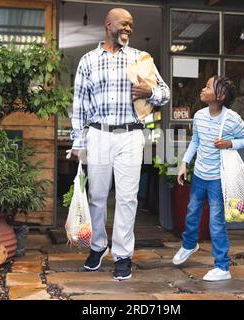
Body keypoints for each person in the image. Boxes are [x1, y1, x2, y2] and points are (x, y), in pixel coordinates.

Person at [70, 8, 170, 281]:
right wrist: (78, 142)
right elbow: (79, 105)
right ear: (109, 24)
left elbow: (165, 92)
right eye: (125, 24)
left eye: (132, 25)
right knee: (97, 197)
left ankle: (123, 255)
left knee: (127, 198)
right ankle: (98, 246)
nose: (129, 28)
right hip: (99, 134)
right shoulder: (88, 60)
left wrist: (150, 91)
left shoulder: (141, 58)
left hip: (131, 135)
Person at [172, 76, 244, 281]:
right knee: (192, 213)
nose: (202, 89)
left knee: (216, 223)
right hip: (199, 175)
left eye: (208, 87)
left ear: (220, 95)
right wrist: (184, 164)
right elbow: (195, 142)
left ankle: (222, 267)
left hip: (218, 179)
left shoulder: (232, 118)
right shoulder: (199, 115)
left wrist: (229, 143)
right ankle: (190, 244)